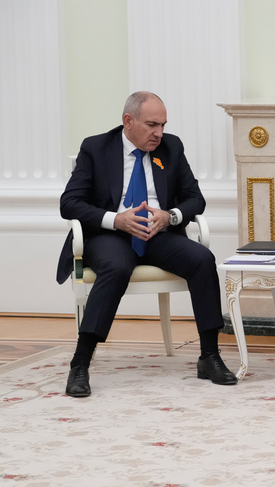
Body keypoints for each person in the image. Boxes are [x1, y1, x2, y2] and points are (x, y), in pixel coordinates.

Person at [55, 91, 236, 397]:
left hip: (158, 234)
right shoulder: (96, 148)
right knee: (115, 266)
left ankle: (209, 356)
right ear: (128, 121)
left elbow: (195, 199)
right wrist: (116, 219)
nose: (159, 133)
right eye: (152, 124)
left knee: (202, 259)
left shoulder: (171, 147)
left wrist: (171, 216)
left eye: (163, 125)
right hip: (110, 235)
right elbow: (69, 204)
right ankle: (80, 363)